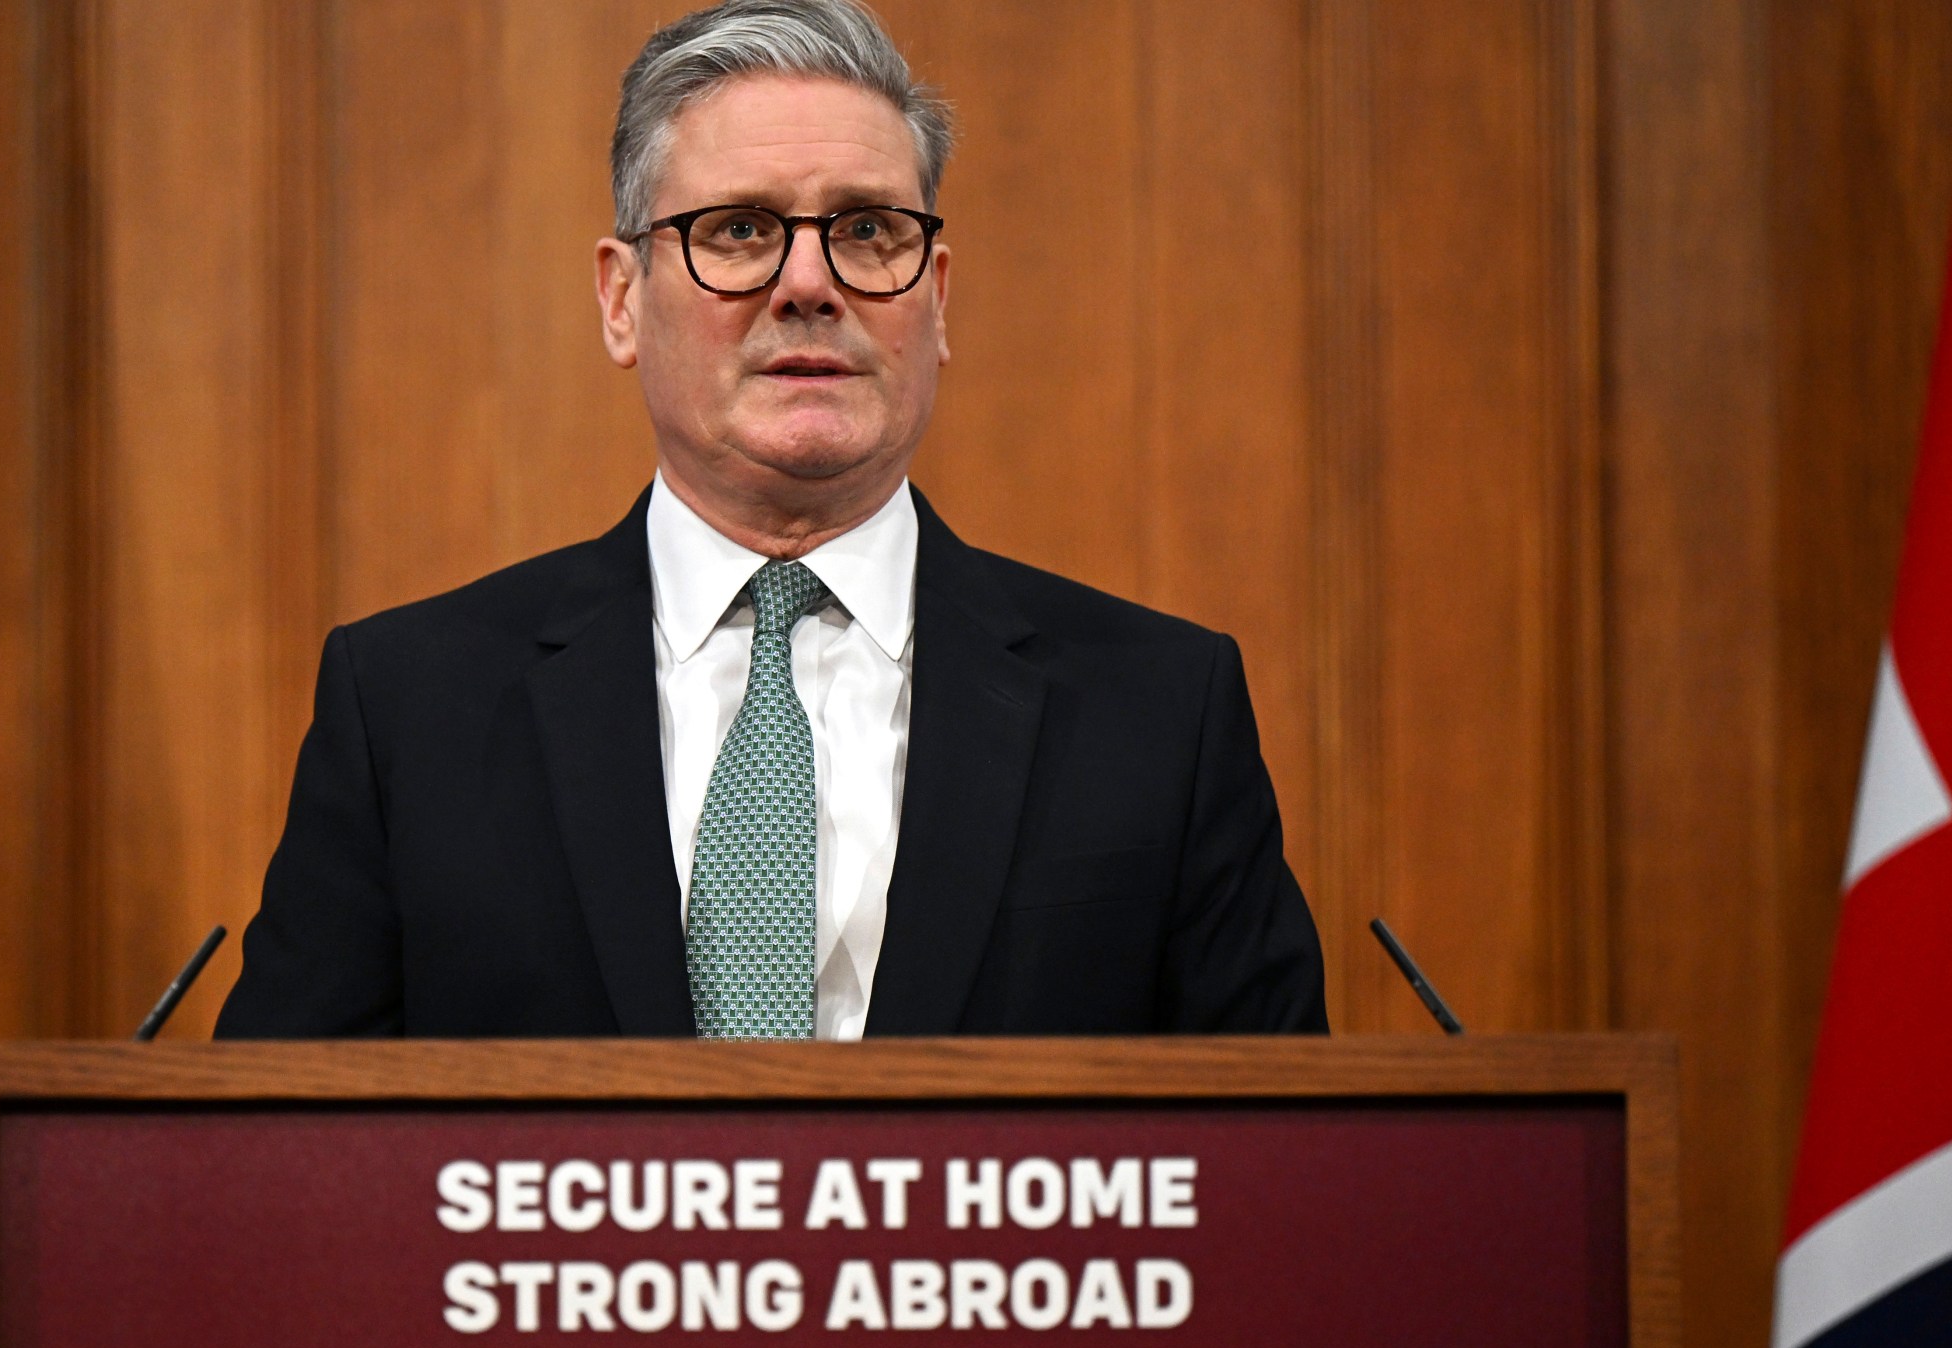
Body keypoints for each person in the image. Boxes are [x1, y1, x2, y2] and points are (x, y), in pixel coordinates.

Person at [215, 0, 1324, 1041]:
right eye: (740, 230)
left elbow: (1280, 1174)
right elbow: (278, 1158)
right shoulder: (409, 707)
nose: (809, 283)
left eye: (869, 230)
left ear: (935, 297)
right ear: (619, 300)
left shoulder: (1161, 711)